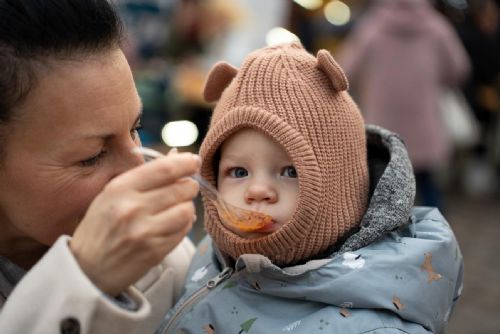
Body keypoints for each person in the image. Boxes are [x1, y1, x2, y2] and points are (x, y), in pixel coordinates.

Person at [155, 43, 464, 334]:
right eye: (238, 171)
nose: (258, 191)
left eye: (290, 171)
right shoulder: (210, 253)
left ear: (341, 188)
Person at [0, 1, 201, 333]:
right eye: (91, 156)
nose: (139, 171)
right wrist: (82, 281)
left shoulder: (163, 255)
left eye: (135, 130)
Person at [337, 0, 470, 209]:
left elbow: (345, 70)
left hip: (383, 125)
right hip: (423, 123)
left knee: (380, 188)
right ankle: (437, 236)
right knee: (427, 186)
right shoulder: (437, 27)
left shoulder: (372, 27)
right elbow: (459, 69)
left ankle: (383, 236)